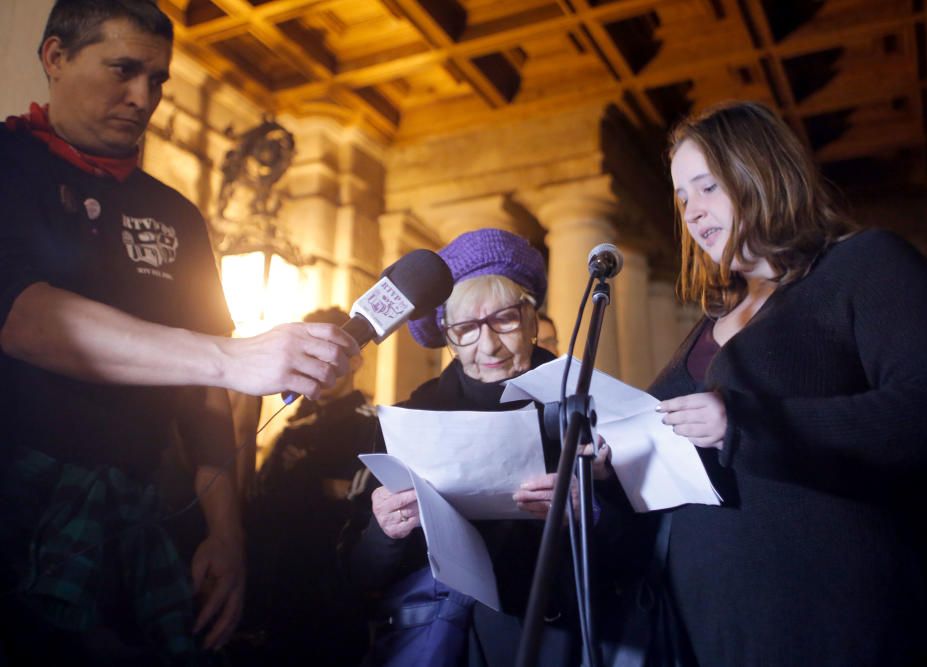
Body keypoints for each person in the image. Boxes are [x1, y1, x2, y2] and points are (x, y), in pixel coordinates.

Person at [0, 1, 356, 664]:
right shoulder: (7, 164)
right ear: (55, 57)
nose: (144, 97)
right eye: (123, 70)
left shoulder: (178, 216)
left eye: (158, 79)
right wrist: (229, 357)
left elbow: (202, 398)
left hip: (141, 510)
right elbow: (25, 319)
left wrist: (227, 531)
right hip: (19, 504)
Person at [641, 100, 927, 666]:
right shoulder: (708, 325)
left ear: (760, 172)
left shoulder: (863, 264)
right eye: (682, 196)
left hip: (843, 629)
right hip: (715, 636)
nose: (691, 210)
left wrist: (750, 423)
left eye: (707, 187)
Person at [345, 228, 606, 667]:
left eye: (503, 319)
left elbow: (648, 554)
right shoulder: (414, 418)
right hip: (441, 641)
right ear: (447, 336)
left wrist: (588, 516)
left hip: (559, 640)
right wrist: (383, 532)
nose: (488, 345)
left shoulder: (587, 406)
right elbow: (358, 574)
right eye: (466, 328)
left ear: (531, 318)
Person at [239, 306, 376, 666]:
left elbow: (360, 502)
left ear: (356, 361)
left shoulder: (373, 427)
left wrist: (314, 489)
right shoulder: (291, 427)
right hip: (277, 590)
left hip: (334, 599)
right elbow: (262, 500)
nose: (319, 366)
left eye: (331, 355)